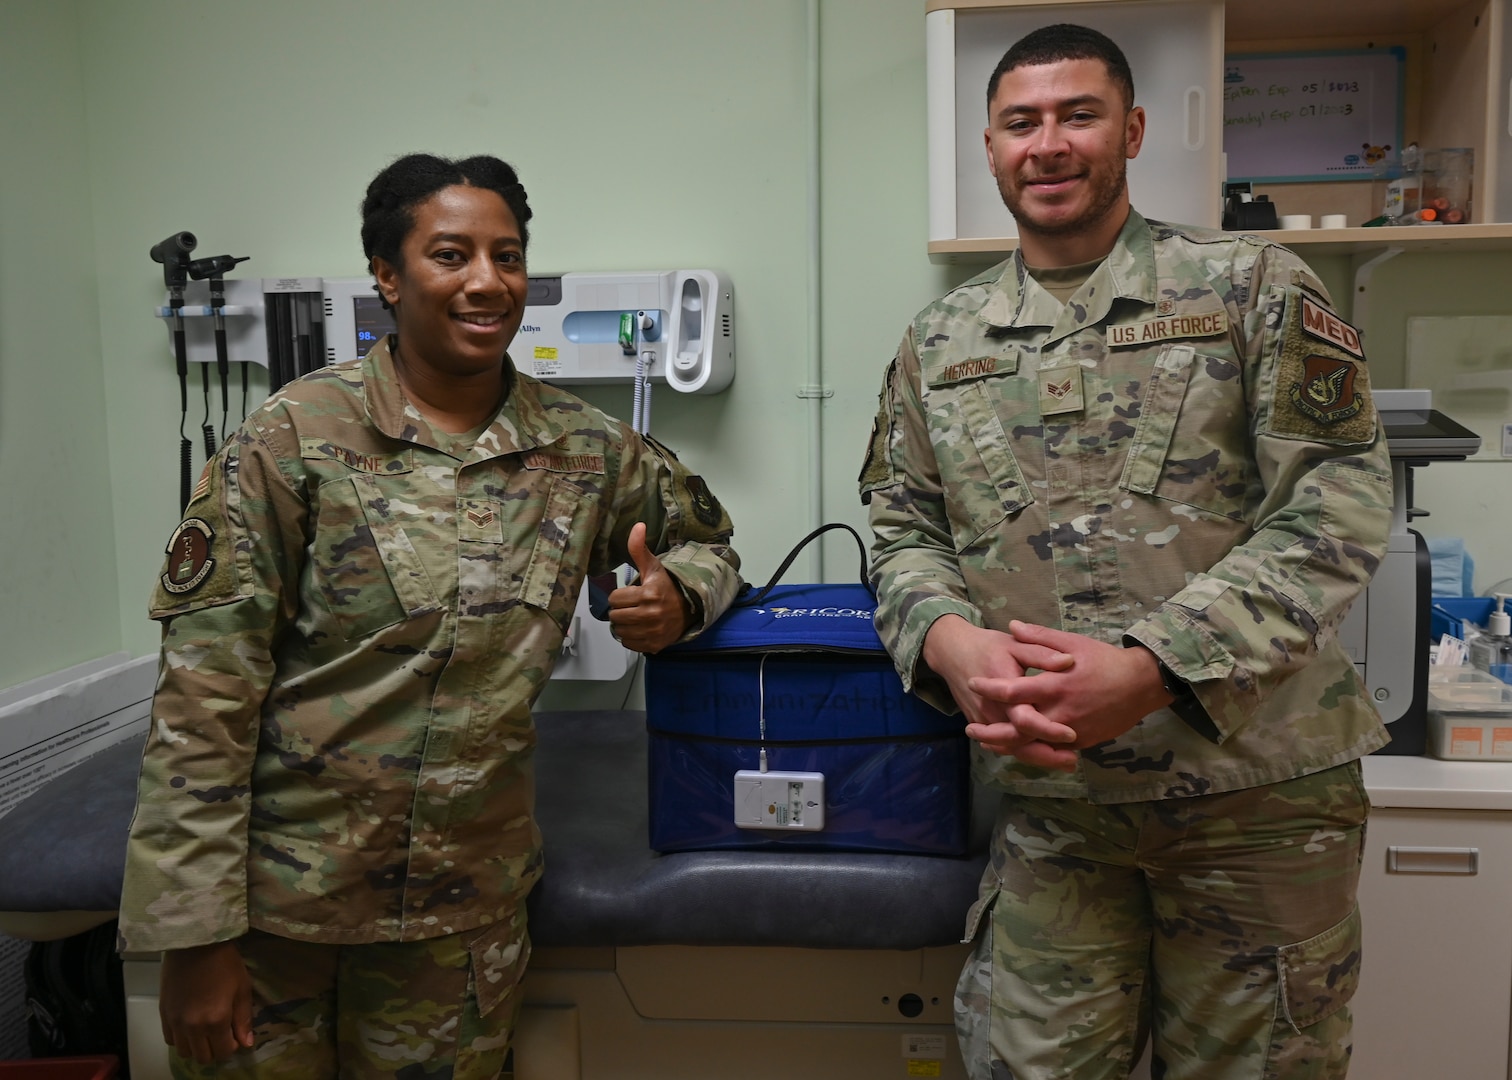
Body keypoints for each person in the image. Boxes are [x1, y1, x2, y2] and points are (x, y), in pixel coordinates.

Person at [119, 153, 742, 1077]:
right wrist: (192, 935)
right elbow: (203, 700)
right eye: (452, 255)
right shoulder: (293, 438)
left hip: (460, 923)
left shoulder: (584, 447)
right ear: (387, 274)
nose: (488, 281)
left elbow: (709, 543)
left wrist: (675, 597)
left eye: (509, 255)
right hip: (275, 915)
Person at [860, 24, 1393, 1080]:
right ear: (991, 146)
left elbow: (1337, 505)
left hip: (1254, 803)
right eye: (1022, 122)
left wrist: (1153, 668)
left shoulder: (1249, 285)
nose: (1048, 143)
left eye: (1078, 114)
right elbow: (900, 528)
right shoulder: (941, 342)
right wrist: (950, 640)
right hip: (1057, 815)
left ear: (1134, 130)